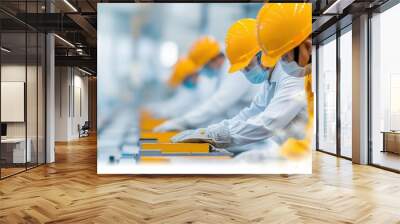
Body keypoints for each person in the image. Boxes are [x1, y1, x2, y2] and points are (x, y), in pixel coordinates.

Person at [171, 3, 312, 159]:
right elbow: (252, 112)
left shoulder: (292, 75)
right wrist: (212, 131)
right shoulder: (272, 78)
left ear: (261, 55)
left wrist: (218, 135)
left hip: (302, 152)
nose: (246, 72)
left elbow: (269, 122)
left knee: (243, 161)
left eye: (247, 66)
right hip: (285, 147)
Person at [153, 19, 262, 132]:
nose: (203, 73)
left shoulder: (237, 69)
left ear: (213, 60)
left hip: (255, 133)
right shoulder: (222, 73)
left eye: (204, 67)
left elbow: (218, 103)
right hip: (244, 130)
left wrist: (183, 122)